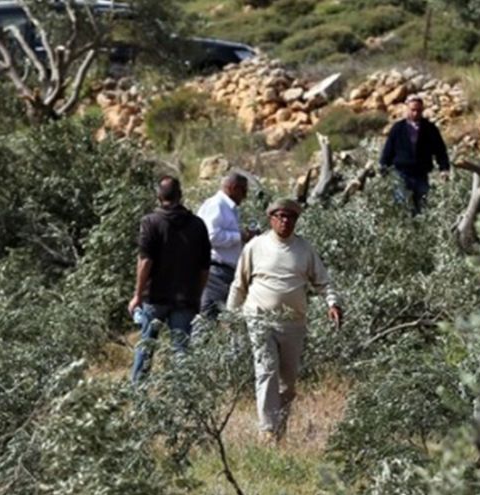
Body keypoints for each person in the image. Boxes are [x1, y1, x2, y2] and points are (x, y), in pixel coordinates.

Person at [228, 198, 343, 441]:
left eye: (290, 217)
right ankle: (267, 430)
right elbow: (239, 284)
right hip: (260, 319)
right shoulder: (255, 246)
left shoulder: (304, 249)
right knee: (266, 371)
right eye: (280, 216)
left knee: (287, 382)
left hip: (293, 323)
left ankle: (279, 429)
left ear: (296, 220)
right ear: (271, 219)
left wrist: (332, 303)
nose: (285, 221)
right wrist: (230, 316)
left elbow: (323, 282)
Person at [129, 176, 211, 383]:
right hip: (185, 298)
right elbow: (204, 267)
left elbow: (145, 261)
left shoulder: (150, 222)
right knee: (181, 351)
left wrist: (137, 295)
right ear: (180, 195)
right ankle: (181, 394)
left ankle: (137, 391)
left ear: (158, 195)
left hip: (155, 296)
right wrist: (197, 295)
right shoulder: (198, 225)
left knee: (146, 347)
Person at [379, 95, 450, 215]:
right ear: (407, 109)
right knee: (403, 207)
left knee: (421, 207)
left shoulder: (430, 128)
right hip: (402, 173)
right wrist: (383, 166)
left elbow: (440, 151)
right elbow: (388, 150)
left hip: (421, 174)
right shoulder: (398, 128)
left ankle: (419, 225)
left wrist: (444, 168)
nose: (416, 113)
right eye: (413, 110)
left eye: (419, 110)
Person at [196, 172, 251, 320]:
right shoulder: (217, 205)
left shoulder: (227, 207)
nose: (245, 196)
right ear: (233, 188)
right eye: (243, 190)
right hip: (216, 272)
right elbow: (211, 236)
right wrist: (240, 236)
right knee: (209, 317)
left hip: (224, 272)